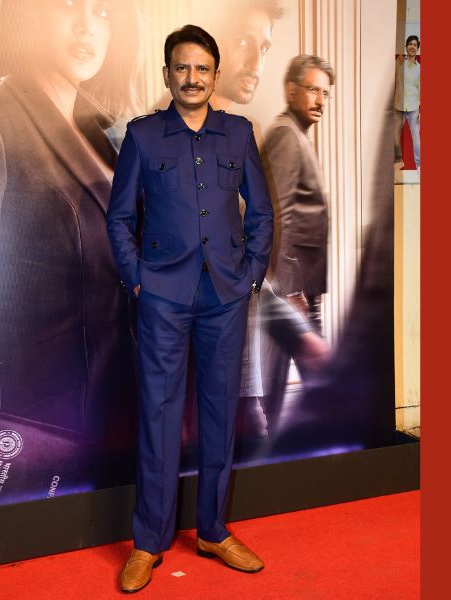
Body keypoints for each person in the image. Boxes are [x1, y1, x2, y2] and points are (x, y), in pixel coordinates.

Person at [106, 25, 274, 593]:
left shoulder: (238, 133)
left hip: (224, 296)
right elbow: (119, 217)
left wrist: (251, 274)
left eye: (202, 68)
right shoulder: (143, 136)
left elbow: (261, 214)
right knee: (158, 416)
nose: (192, 78)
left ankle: (213, 531)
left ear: (215, 75)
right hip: (162, 297)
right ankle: (148, 543)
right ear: (167, 75)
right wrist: (138, 281)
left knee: (221, 414)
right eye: (182, 67)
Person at [0, 0, 142, 448]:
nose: (87, 26)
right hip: (44, 431)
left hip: (119, 414)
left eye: (103, 11)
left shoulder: (103, 132)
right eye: (69, 4)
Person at [259, 54, 334, 431]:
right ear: (291, 90)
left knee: (293, 385)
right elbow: (277, 214)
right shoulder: (286, 135)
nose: (320, 100)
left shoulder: (297, 134)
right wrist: (288, 293)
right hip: (291, 291)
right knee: (291, 386)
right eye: (313, 90)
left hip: (299, 290)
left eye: (325, 93)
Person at [394, 34, 420, 170]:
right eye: (410, 44)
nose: (412, 47)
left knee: (416, 137)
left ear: (417, 49)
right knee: (395, 135)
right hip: (398, 106)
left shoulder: (419, 68)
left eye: (415, 45)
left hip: (414, 107)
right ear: (406, 47)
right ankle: (398, 160)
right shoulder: (399, 63)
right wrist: (398, 58)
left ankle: (419, 164)